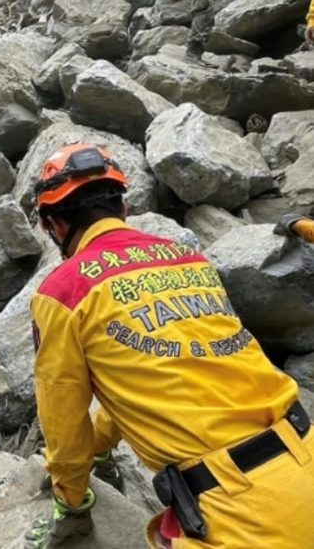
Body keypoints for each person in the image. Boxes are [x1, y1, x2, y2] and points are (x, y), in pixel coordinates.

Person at [25, 143, 314, 548]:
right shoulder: (189, 261)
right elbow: (168, 369)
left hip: (241, 509)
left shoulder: (64, 292)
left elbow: (64, 423)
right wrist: (101, 443)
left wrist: (70, 498)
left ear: (54, 226)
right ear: (123, 210)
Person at [185, 0, 215, 64]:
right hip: (201, 8)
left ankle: (197, 56)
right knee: (199, 28)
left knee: (205, 30)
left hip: (205, 7)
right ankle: (191, 55)